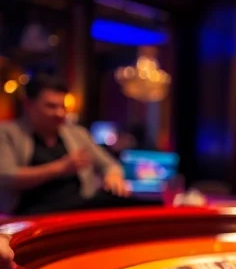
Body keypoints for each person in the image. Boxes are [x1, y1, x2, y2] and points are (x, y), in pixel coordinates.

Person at [0, 74, 137, 215]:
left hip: (78, 208)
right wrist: (60, 167)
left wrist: (113, 176)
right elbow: (6, 176)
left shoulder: (77, 133)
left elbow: (109, 164)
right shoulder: (7, 133)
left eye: (63, 106)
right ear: (28, 105)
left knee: (132, 203)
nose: (60, 113)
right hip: (32, 213)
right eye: (51, 106)